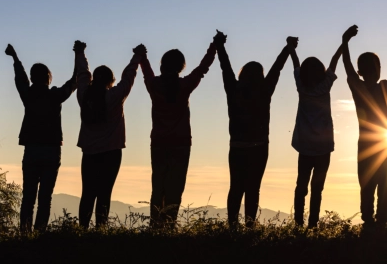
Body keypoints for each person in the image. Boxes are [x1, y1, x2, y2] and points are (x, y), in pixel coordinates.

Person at [214, 30, 296, 227]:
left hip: (237, 146)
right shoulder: (264, 90)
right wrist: (287, 48)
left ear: (242, 74)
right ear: (260, 75)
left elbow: (225, 68)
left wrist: (220, 46)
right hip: (259, 147)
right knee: (253, 188)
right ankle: (250, 226)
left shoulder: (234, 90)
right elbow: (277, 69)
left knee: (236, 188)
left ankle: (232, 226)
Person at [139, 38, 216, 227]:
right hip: (181, 143)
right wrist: (214, 46)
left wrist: (142, 56)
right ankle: (169, 225)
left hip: (158, 143)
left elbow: (146, 71)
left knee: (158, 187)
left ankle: (155, 226)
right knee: (175, 188)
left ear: (162, 65)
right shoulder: (184, 86)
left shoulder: (154, 85)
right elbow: (202, 69)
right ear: (181, 67)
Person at [74, 40, 147, 228]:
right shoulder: (115, 97)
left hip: (89, 152)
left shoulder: (84, 95)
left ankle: (82, 230)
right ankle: (101, 229)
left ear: (94, 79)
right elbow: (128, 77)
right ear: (110, 81)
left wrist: (80, 52)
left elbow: (82, 74)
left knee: (88, 193)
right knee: (104, 193)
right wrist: (137, 57)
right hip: (111, 152)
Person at [5, 43, 77, 233]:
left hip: (31, 150)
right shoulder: (55, 95)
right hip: (52, 150)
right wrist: (79, 56)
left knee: (28, 195)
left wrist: (15, 57)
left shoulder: (28, 95)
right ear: (48, 77)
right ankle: (40, 233)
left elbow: (20, 78)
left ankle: (25, 232)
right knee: (46, 196)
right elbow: (73, 82)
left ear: (32, 78)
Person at [288, 37, 343, 228]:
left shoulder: (301, 87)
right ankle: (312, 225)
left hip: (305, 147)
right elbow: (334, 62)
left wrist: (291, 48)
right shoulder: (324, 86)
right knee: (317, 189)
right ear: (321, 72)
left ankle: (297, 224)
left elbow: (295, 64)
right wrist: (344, 42)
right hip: (323, 148)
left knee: (301, 187)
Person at [342, 25, 387, 228]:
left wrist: (345, 41)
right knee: (379, 187)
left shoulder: (360, 87)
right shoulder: (383, 86)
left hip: (370, 146)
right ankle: (377, 222)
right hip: (380, 146)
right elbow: (349, 67)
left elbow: (348, 67)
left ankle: (371, 223)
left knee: (369, 186)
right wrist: (344, 42)